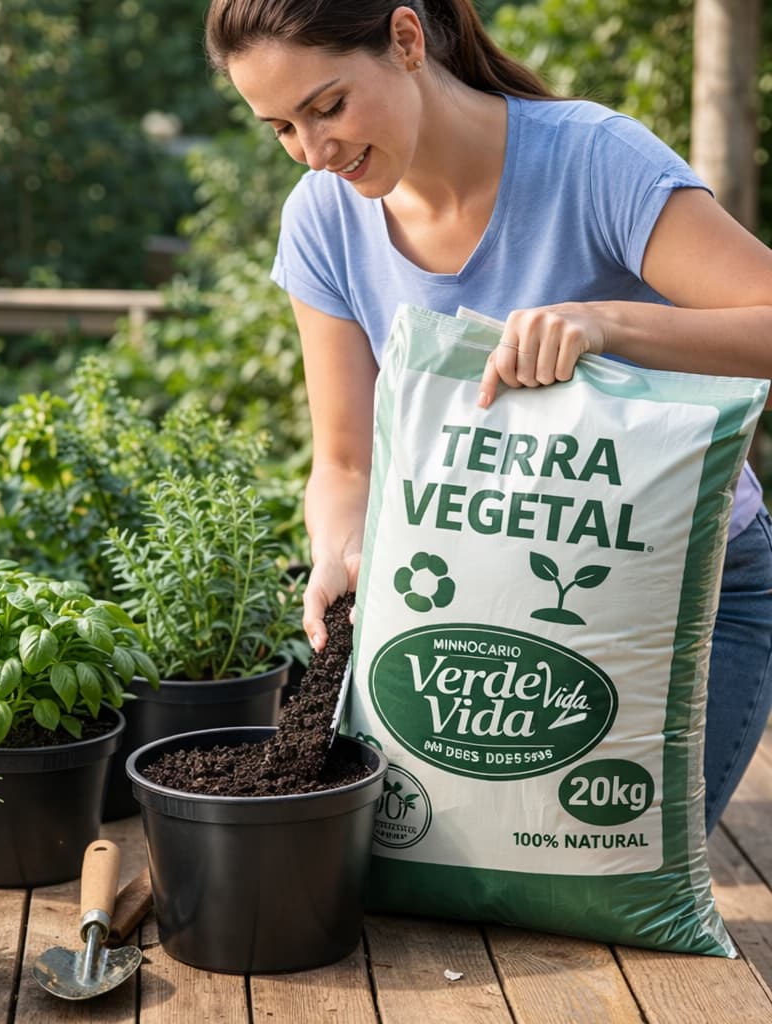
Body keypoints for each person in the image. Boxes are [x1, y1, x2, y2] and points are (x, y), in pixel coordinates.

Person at [203, 0, 772, 832]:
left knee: (593, 895)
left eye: (327, 106)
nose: (315, 152)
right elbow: (346, 464)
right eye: (281, 128)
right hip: (473, 602)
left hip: (680, 592)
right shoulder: (322, 220)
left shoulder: (590, 159)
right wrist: (340, 549)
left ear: (405, 40)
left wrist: (605, 322)